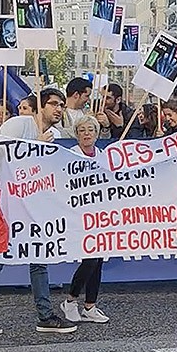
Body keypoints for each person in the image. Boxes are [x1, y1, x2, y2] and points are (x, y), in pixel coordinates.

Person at [0, 88, 77, 336]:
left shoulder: (54, 133)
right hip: (9, 202)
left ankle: (45, 316)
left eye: (61, 105)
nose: (58, 109)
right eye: (54, 104)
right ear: (40, 104)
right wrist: (34, 145)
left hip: (34, 203)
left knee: (39, 258)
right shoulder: (19, 124)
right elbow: (0, 151)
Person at [61, 116, 111, 324]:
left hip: (100, 215)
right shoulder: (70, 155)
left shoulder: (104, 156)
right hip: (78, 215)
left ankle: (90, 305)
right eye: (82, 130)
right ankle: (71, 300)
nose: (87, 133)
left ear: (97, 133)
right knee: (89, 259)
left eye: (91, 129)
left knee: (98, 260)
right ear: (77, 133)